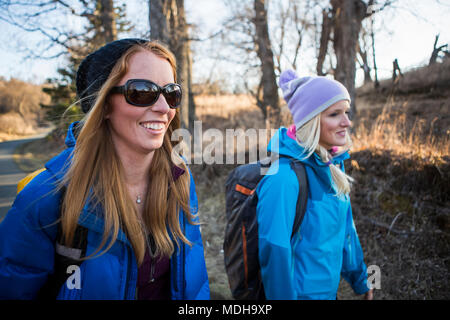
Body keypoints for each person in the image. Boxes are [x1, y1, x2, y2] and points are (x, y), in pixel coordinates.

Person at [0, 38, 210, 300]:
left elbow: (195, 285)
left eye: (171, 93)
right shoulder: (45, 198)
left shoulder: (180, 180)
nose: (163, 107)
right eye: (142, 92)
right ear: (104, 104)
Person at [256, 69, 373, 300]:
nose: (347, 122)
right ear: (310, 120)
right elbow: (274, 252)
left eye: (346, 112)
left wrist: (361, 279)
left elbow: (346, 231)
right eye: (334, 114)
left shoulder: (333, 166)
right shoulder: (282, 176)